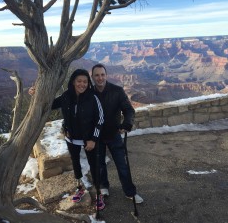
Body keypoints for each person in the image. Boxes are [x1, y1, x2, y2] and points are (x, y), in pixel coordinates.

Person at [29, 69, 105, 210]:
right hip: (71, 139)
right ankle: (79, 187)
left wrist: (93, 139)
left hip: (89, 140)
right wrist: (36, 95)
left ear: (88, 83)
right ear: (73, 82)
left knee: (94, 165)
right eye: (79, 81)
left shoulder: (93, 97)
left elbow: (100, 119)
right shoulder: (66, 96)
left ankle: (99, 193)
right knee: (76, 164)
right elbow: (50, 104)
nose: (82, 84)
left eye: (85, 82)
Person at [91, 63, 144, 204]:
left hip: (114, 134)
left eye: (102, 74)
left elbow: (129, 110)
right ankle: (103, 187)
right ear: (92, 77)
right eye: (97, 75)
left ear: (106, 75)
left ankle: (130, 192)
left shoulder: (117, 91)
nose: (100, 78)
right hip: (97, 136)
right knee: (100, 164)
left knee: (122, 165)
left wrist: (127, 123)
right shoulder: (89, 93)